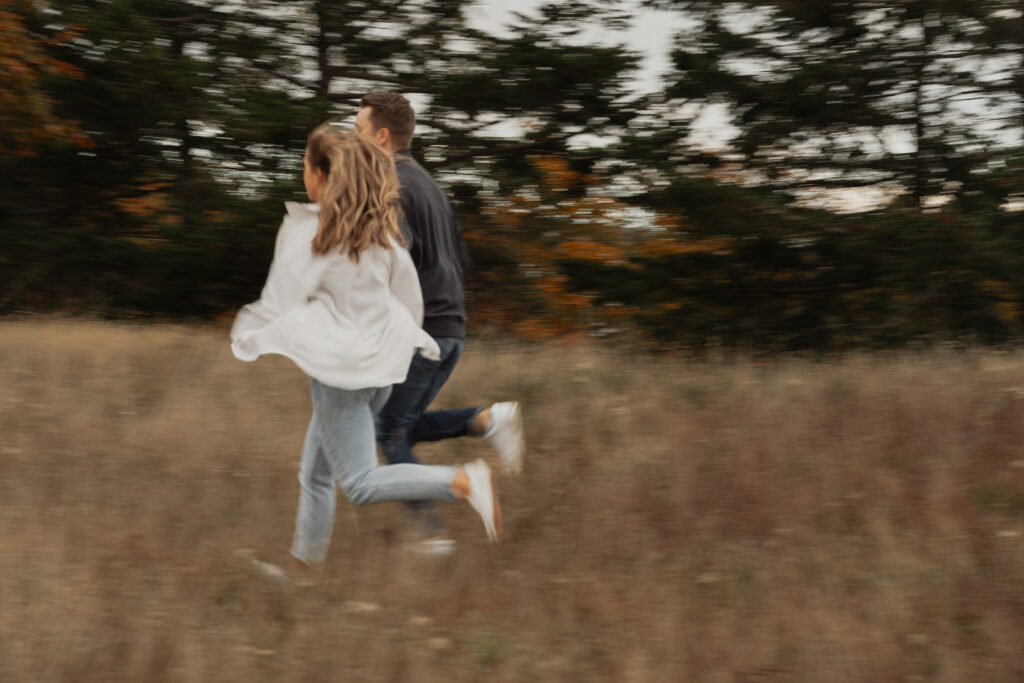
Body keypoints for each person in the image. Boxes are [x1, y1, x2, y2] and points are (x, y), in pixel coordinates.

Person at [230, 125, 501, 576]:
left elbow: (281, 298)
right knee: (315, 472)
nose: (303, 173)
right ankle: (301, 570)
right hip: (380, 369)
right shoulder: (380, 233)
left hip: (341, 375)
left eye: (305, 165)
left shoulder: (313, 231)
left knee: (359, 481)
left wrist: (248, 336)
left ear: (321, 174)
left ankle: (461, 481)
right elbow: (409, 297)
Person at [354, 92, 524, 548]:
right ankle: (485, 420)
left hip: (420, 333)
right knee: (401, 424)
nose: (353, 141)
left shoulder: (387, 184)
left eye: (358, 132)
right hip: (451, 329)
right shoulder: (431, 186)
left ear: (381, 136)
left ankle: (432, 537)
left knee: (389, 431)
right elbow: (460, 261)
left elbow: (394, 255)